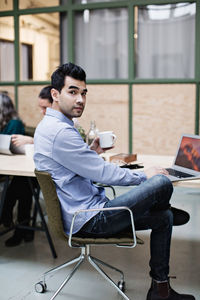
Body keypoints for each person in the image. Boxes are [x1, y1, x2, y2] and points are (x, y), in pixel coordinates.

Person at [34, 63, 195, 300]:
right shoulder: (60, 132)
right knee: (161, 182)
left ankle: (160, 290)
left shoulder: (54, 126)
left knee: (164, 218)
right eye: (73, 91)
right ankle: (160, 203)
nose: (80, 99)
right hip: (89, 219)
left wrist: (93, 151)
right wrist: (145, 175)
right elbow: (103, 174)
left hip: (86, 211)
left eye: (83, 92)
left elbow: (75, 167)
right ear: (55, 94)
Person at [0, 86, 53, 247]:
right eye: (41, 108)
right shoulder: (47, 122)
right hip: (30, 170)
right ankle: (22, 228)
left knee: (21, 185)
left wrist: (31, 141)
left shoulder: (57, 123)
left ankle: (12, 221)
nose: (41, 112)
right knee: (22, 185)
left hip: (46, 172)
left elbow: (52, 147)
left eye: (45, 107)